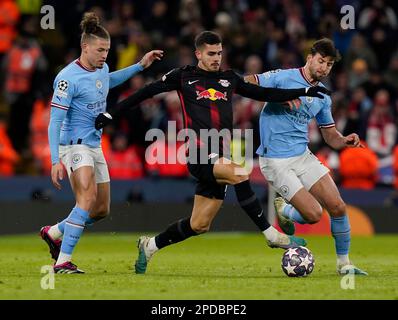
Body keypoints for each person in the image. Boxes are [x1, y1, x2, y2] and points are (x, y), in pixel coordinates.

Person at [95, 31, 330, 274]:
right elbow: (146, 92)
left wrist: (302, 92)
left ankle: (150, 245)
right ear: (198, 54)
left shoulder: (229, 79)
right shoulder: (183, 76)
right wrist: (111, 114)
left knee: (199, 224)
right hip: (198, 152)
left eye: (219, 53)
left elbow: (264, 94)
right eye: (211, 54)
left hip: (220, 155)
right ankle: (271, 234)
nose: (216, 58)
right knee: (240, 173)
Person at [39, 12, 163, 274]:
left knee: (100, 210)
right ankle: (62, 262)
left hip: (95, 144)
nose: (104, 55)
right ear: (85, 47)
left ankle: (55, 232)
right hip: (74, 145)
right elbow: (54, 122)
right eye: (100, 50)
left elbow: (108, 79)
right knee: (86, 199)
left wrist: (140, 65)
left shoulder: (101, 68)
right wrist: (54, 160)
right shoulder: (66, 78)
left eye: (106, 49)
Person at [244, 38, 367, 275]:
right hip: (276, 160)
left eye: (329, 64)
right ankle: (286, 210)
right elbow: (247, 82)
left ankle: (344, 265)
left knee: (338, 207)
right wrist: (278, 96)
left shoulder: (322, 96)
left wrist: (344, 141)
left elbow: (330, 136)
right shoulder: (283, 76)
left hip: (302, 155)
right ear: (309, 58)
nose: (324, 67)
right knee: (313, 215)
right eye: (321, 61)